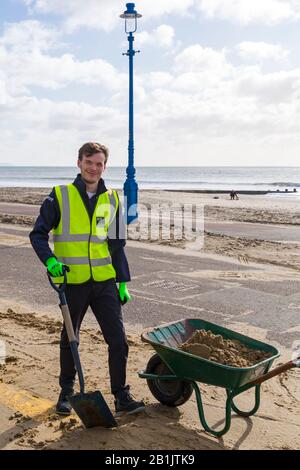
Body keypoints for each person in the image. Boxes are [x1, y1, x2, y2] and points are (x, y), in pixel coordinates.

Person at [29, 142, 145, 417]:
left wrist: (123, 282)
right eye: (89, 162)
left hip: (104, 282)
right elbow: (38, 234)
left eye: (99, 163)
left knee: (118, 340)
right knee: (71, 338)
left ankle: (121, 395)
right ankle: (67, 392)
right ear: (79, 163)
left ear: (105, 166)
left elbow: (117, 244)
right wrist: (51, 260)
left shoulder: (113, 199)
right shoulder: (60, 195)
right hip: (73, 281)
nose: (94, 168)